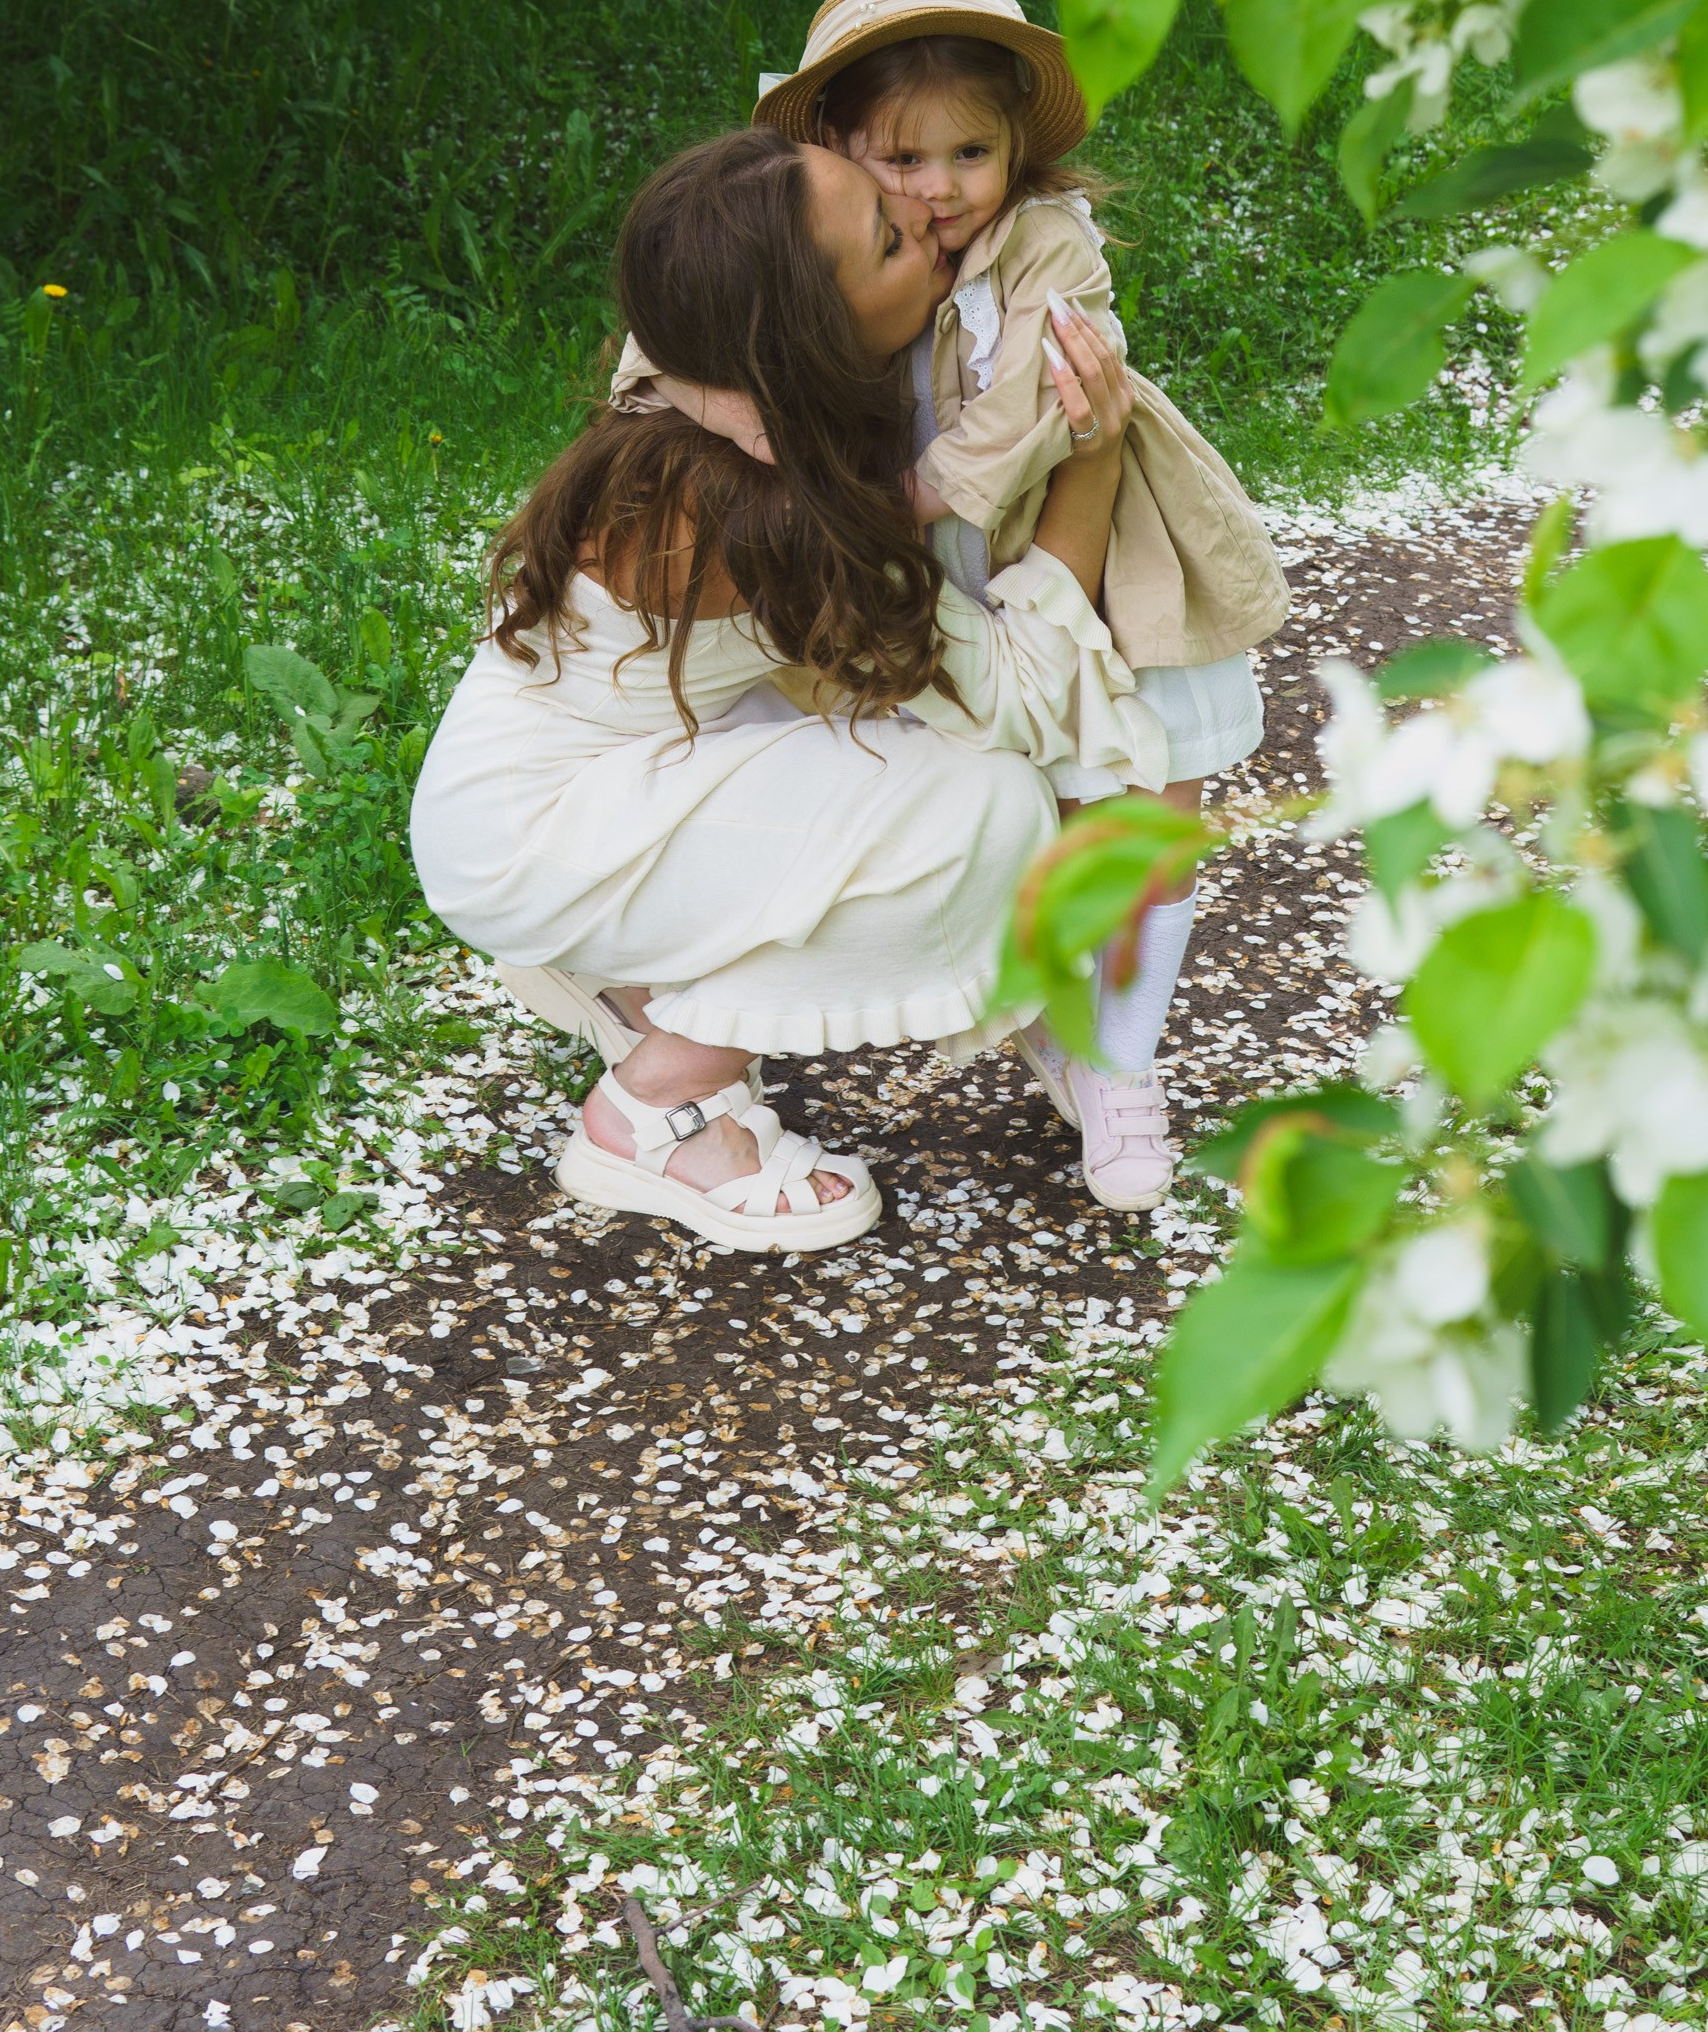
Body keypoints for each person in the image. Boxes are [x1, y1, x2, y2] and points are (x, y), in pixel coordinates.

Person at [409, 127, 1158, 1258]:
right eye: (892, 237)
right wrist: (1092, 458)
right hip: (530, 836)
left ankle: (621, 964)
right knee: (991, 815)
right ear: (808, 332)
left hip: (563, 784)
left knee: (863, 737)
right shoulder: (749, 516)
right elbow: (1021, 692)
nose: (933, 228)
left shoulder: (699, 409)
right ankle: (654, 1109)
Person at [619, 0, 1290, 1183]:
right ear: (828, 143)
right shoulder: (790, 233)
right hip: (891, 571)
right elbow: (687, 325)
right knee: (855, 783)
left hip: (1060, 541)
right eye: (899, 161)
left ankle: (1120, 1053)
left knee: (1138, 801)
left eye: (969, 156)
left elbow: (1040, 394)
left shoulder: (1045, 246)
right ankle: (714, 1000)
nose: (937, 194)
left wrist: (906, 497)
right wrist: (699, 404)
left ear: (1014, 150)